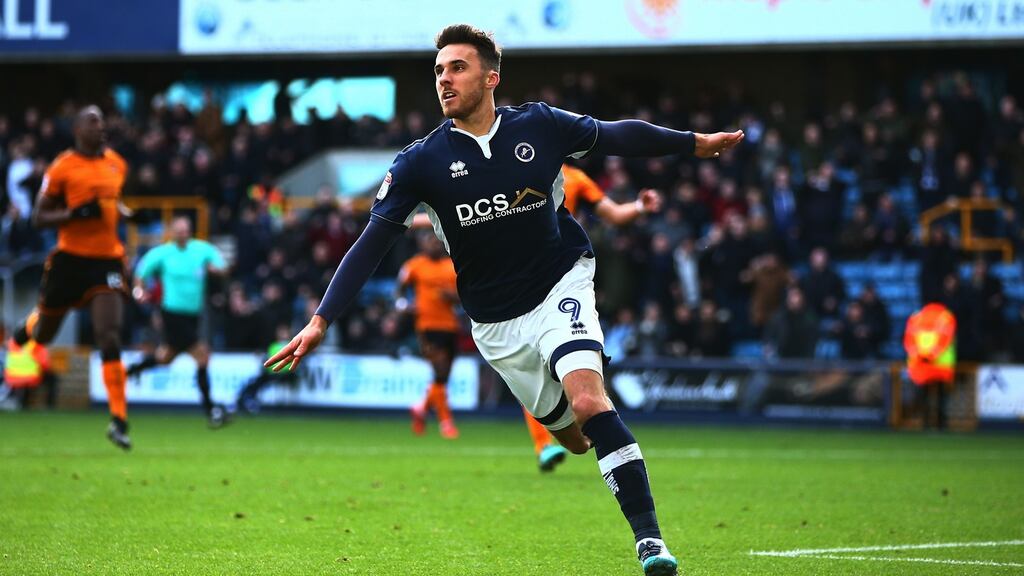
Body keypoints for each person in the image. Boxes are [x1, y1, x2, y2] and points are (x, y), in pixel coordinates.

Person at [266, 24, 742, 576]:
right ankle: (581, 420)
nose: (444, 79)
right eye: (439, 70)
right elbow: (372, 241)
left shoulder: (539, 126)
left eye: (457, 67)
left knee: (590, 402)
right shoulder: (420, 163)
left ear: (491, 77)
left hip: (561, 280)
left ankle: (650, 543)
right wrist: (321, 320)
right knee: (575, 439)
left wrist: (693, 143)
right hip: (496, 324)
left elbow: (616, 135)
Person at [411, 162, 664, 469]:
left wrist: (638, 206)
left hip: (560, 277)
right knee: (529, 374)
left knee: (575, 376)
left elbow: (612, 213)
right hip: (515, 285)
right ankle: (545, 443)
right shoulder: (511, 166)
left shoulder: (576, 177)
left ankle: (589, 422)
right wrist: (407, 219)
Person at [6, 106, 134, 450]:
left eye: (102, 121)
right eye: (94, 121)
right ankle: (26, 328)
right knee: (45, 332)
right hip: (69, 261)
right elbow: (38, 217)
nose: (101, 126)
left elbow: (113, 201)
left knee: (109, 335)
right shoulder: (63, 166)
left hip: (107, 260)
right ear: (78, 129)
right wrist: (74, 214)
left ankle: (119, 420)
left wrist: (125, 212)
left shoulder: (116, 164)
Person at [128, 216, 229, 427]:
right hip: (171, 314)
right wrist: (139, 289)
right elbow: (141, 271)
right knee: (202, 356)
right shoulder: (163, 253)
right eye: (179, 231)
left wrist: (217, 270)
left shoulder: (202, 250)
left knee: (166, 358)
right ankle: (212, 411)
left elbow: (222, 265)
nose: (183, 234)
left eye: (186, 230)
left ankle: (129, 372)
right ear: (172, 232)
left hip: (193, 316)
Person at [395, 232, 461, 439]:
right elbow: (399, 290)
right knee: (440, 370)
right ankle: (446, 423)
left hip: (450, 325)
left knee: (444, 376)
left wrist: (452, 296)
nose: (434, 245)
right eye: (430, 242)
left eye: (436, 242)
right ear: (423, 244)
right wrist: (403, 305)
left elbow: (462, 296)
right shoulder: (415, 265)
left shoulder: (451, 266)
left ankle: (421, 407)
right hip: (427, 325)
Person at [903, 302, 956, 430]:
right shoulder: (946, 317)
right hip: (940, 364)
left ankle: (926, 422)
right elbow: (945, 339)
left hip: (921, 364)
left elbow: (908, 341)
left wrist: (921, 355)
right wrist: (932, 355)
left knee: (926, 395)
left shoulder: (916, 317)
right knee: (940, 396)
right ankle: (940, 424)